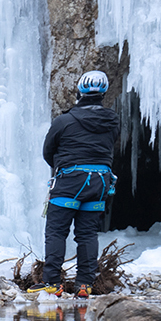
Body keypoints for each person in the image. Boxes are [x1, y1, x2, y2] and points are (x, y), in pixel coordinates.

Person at [39, 70, 119, 296]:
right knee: (87, 234)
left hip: (70, 181)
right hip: (99, 182)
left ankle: (52, 283)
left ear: (80, 91)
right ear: (103, 93)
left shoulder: (63, 121)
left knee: (57, 231)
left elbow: (48, 151)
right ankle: (84, 284)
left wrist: (62, 167)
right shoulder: (112, 121)